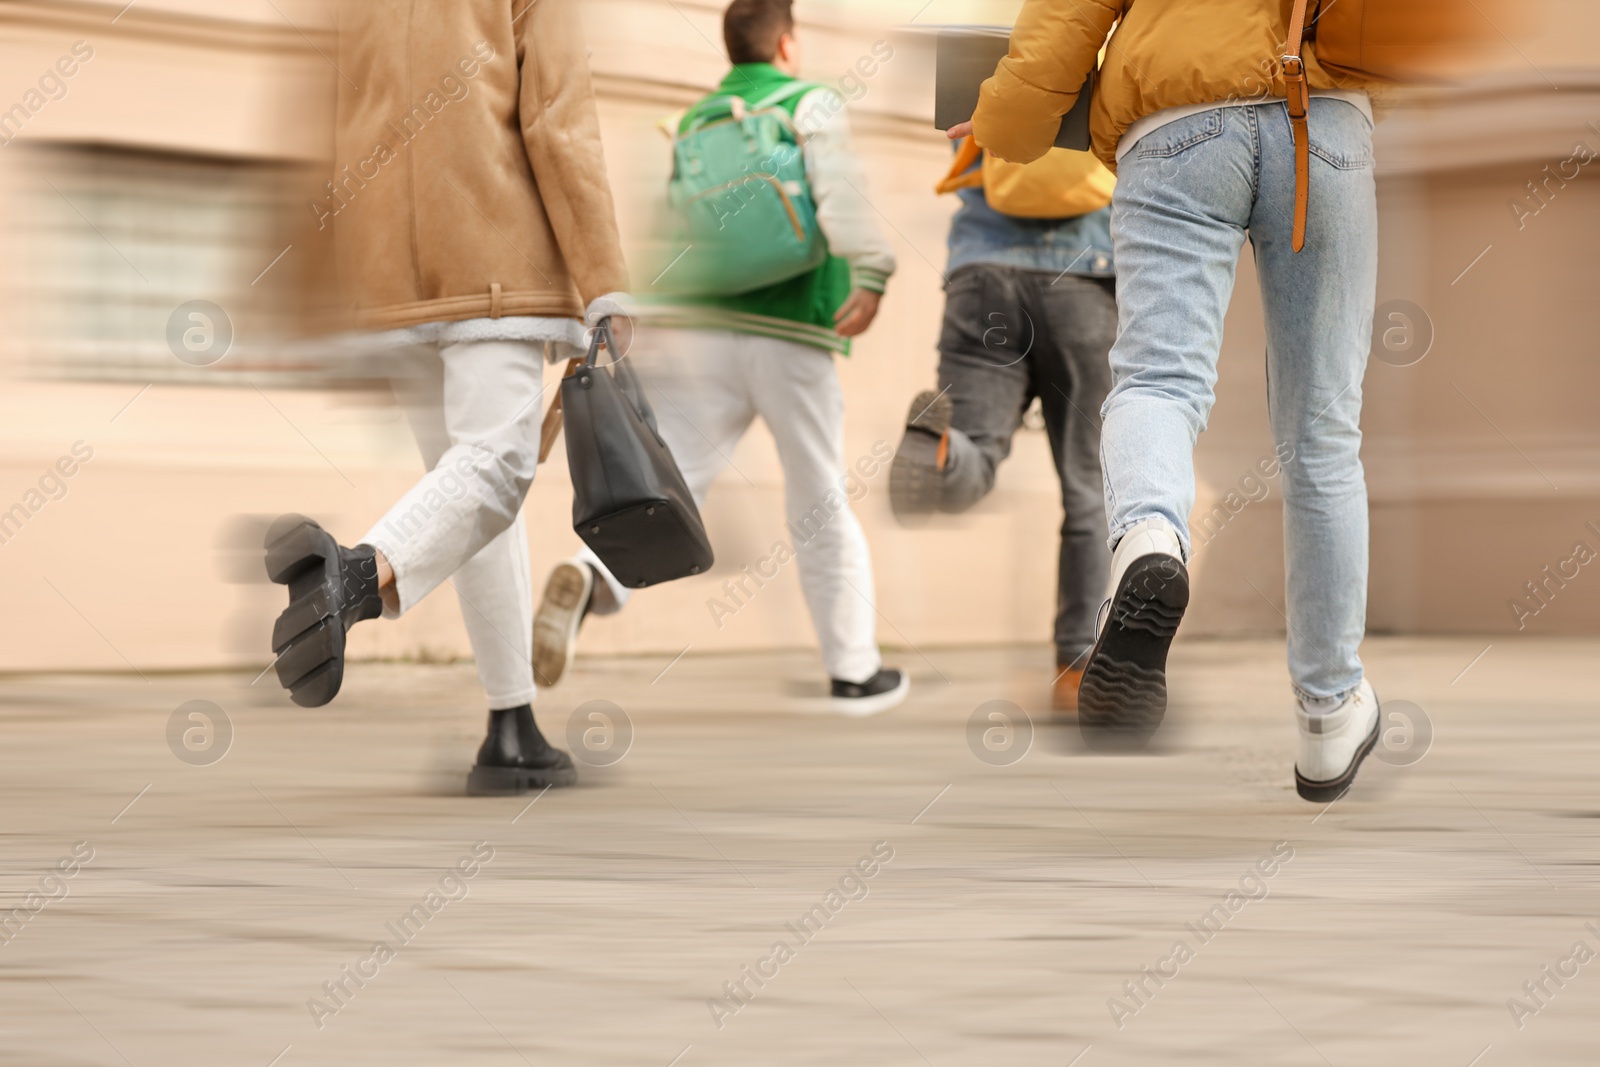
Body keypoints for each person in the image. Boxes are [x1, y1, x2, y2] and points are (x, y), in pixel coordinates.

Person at [961, 0, 1382, 798]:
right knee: (1323, 430)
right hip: (1325, 120)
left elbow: (1068, 14)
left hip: (1176, 121)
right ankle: (1328, 714)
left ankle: (1149, 543)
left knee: (1158, 378)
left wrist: (1003, 123)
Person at [264, 0, 631, 797]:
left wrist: (308, 294)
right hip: (494, 262)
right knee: (495, 470)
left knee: (463, 497)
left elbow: (323, 119)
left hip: (388, 279)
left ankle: (513, 727)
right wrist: (606, 282)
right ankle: (352, 577)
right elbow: (559, 117)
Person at [529, 0, 909, 715]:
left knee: (672, 481)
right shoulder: (810, 101)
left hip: (706, 332)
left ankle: (591, 576)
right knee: (819, 494)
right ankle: (856, 671)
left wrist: (655, 319)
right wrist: (872, 271)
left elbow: (675, 230)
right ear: (787, 44)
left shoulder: (695, 120)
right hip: (794, 330)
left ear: (731, 47)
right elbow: (840, 196)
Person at [889, 139, 1117, 714]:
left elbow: (956, 138)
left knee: (980, 452)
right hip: (1084, 273)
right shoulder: (1103, 45)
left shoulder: (971, 48)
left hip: (983, 269)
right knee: (1088, 487)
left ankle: (943, 450)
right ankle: (1076, 667)